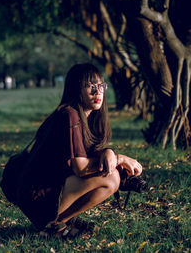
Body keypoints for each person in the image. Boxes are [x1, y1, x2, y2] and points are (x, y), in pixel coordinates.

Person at [16, 63, 142, 237]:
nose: (97, 92)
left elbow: (91, 153)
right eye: (90, 86)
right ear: (76, 89)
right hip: (37, 195)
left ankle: (57, 223)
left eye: (101, 86)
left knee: (112, 175)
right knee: (111, 177)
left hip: (48, 191)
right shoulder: (69, 114)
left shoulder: (87, 118)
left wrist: (109, 153)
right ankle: (52, 224)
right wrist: (119, 158)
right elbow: (81, 168)